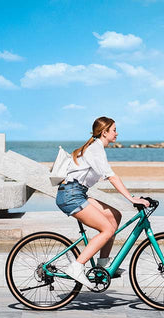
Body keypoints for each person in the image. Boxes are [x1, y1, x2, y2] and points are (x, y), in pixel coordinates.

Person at [56, 116, 150, 287]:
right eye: (114, 130)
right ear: (104, 132)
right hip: (71, 194)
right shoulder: (95, 149)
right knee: (106, 229)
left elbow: (108, 175)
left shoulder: (96, 148)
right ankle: (77, 266)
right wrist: (131, 198)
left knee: (115, 216)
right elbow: (112, 176)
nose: (117, 133)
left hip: (78, 193)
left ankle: (103, 265)